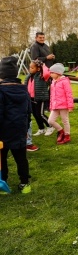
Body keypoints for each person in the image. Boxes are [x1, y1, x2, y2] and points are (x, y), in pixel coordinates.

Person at [0, 56, 32, 194]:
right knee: (21, 158)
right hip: (19, 130)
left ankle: (4, 183)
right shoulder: (23, 89)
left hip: (3, 132)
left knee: (2, 159)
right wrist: (25, 129)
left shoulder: (1, 91)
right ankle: (25, 183)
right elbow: (28, 112)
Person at [25, 60, 54, 141]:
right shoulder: (29, 76)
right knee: (35, 114)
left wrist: (43, 65)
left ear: (38, 69)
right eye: (29, 67)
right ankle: (41, 128)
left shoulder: (42, 76)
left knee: (40, 114)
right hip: (31, 98)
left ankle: (50, 127)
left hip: (40, 98)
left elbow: (47, 73)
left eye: (32, 67)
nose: (30, 69)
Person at [48, 63, 74, 145]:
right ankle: (61, 131)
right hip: (55, 106)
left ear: (58, 73)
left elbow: (69, 94)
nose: (50, 74)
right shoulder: (53, 82)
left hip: (64, 105)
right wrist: (51, 105)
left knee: (65, 120)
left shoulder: (65, 82)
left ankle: (67, 135)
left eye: (52, 72)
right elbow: (52, 95)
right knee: (50, 121)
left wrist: (70, 106)